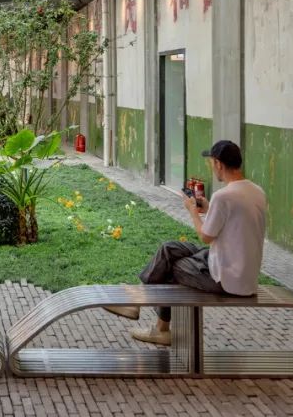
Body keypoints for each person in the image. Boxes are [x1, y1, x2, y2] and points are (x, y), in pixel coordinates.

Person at [105, 140, 267, 345]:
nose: (211, 167)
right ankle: (150, 317)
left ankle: (146, 314)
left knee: (168, 267)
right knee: (169, 249)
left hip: (225, 279)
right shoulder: (256, 191)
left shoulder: (224, 196)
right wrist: (209, 209)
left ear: (218, 164)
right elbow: (234, 222)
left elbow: (205, 236)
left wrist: (192, 211)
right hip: (244, 275)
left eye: (211, 163)